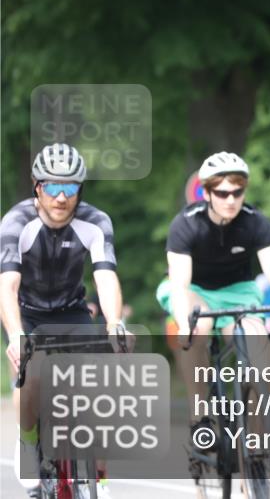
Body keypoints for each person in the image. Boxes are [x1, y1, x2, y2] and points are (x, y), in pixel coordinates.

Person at [157, 151, 270, 452]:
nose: (231, 199)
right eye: (222, 193)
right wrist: (184, 321)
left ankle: (254, 445)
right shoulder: (185, 224)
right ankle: (199, 415)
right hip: (194, 289)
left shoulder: (256, 222)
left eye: (237, 192)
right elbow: (180, 284)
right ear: (207, 193)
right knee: (199, 326)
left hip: (239, 292)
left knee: (259, 355)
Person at [0, 143, 124, 498]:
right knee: (33, 375)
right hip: (29, 313)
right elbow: (7, 285)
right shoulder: (16, 222)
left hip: (72, 311)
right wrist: (15, 335)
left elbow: (106, 277)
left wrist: (114, 323)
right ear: (37, 186)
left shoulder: (95, 221)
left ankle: (96, 474)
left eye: (69, 187)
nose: (61, 196)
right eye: (52, 186)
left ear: (80, 189)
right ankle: (28, 442)